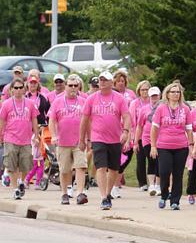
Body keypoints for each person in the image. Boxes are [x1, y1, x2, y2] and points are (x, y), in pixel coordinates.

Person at [79, 70, 132, 211]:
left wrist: (126, 132)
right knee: (101, 167)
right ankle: (103, 197)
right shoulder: (91, 98)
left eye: (105, 80)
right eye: (100, 80)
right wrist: (82, 139)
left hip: (115, 139)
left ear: (111, 83)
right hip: (98, 138)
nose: (101, 82)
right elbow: (84, 119)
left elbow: (127, 116)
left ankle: (108, 193)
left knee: (114, 169)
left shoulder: (119, 98)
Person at [151, 81, 194, 210]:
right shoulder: (161, 108)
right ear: (167, 94)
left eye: (178, 92)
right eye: (173, 92)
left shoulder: (185, 109)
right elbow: (154, 128)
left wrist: (191, 146)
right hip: (164, 145)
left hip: (181, 146)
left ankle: (175, 200)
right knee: (164, 172)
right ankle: (164, 195)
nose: (176, 94)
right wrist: (153, 146)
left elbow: (189, 129)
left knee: (178, 174)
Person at [0, 77, 40, 201]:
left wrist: (36, 135)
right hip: (10, 138)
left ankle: (21, 180)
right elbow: (1, 121)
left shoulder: (30, 104)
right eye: (16, 88)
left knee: (25, 164)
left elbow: (34, 119)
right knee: (11, 164)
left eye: (21, 88)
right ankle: (15, 189)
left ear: (24, 89)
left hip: (25, 139)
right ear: (11, 90)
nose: (19, 90)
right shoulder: (6, 104)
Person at [50, 73, 89, 204]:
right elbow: (51, 120)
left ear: (79, 87)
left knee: (81, 166)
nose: (73, 88)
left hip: (79, 141)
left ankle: (80, 193)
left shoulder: (84, 101)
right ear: (65, 86)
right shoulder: (58, 101)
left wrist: (88, 138)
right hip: (63, 141)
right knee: (64, 169)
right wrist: (54, 135)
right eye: (70, 85)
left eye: (75, 85)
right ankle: (64, 193)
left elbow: (88, 121)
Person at [134, 84, 159, 196]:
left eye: (156, 96)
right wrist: (135, 141)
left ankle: (158, 184)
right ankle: (151, 185)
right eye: (152, 96)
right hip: (147, 138)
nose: (154, 98)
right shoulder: (144, 109)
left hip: (160, 139)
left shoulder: (163, 107)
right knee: (152, 159)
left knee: (159, 161)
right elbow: (139, 126)